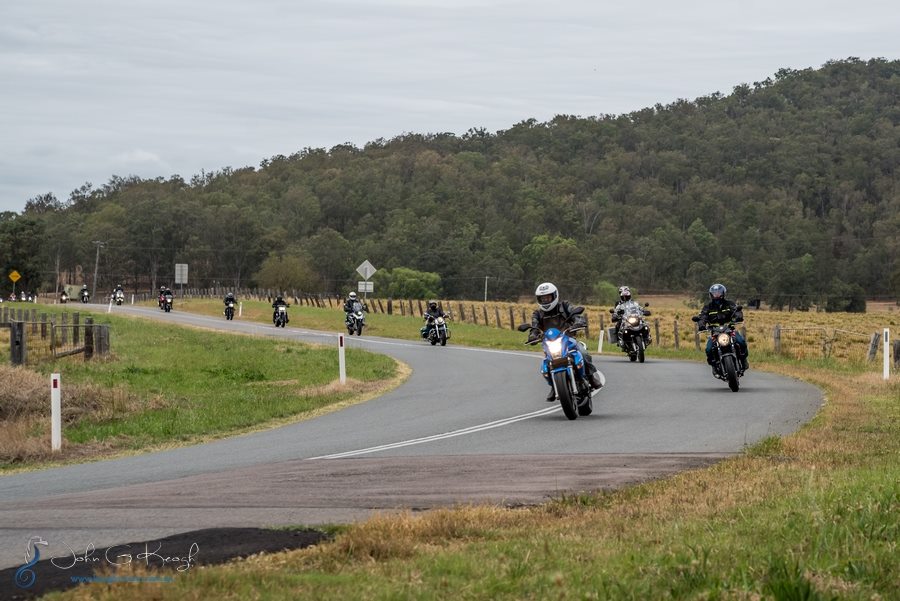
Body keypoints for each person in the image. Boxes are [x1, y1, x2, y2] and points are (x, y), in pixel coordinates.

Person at [529, 282, 604, 401]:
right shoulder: (538, 314)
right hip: (549, 343)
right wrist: (533, 335)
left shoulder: (564, 306)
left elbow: (575, 314)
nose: (545, 300)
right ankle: (554, 386)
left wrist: (578, 321)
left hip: (567, 338)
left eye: (548, 297)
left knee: (583, 353)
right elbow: (535, 326)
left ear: (554, 296)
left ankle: (590, 378)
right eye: (542, 298)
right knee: (546, 365)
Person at [697, 283, 749, 373]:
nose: (716, 294)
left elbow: (737, 310)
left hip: (729, 330)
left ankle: (743, 360)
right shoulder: (708, 307)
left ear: (723, 293)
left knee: (741, 342)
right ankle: (714, 366)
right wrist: (701, 324)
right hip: (715, 333)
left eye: (718, 292)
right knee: (709, 349)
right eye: (714, 293)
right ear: (711, 294)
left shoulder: (729, 304)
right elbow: (702, 317)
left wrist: (738, 316)